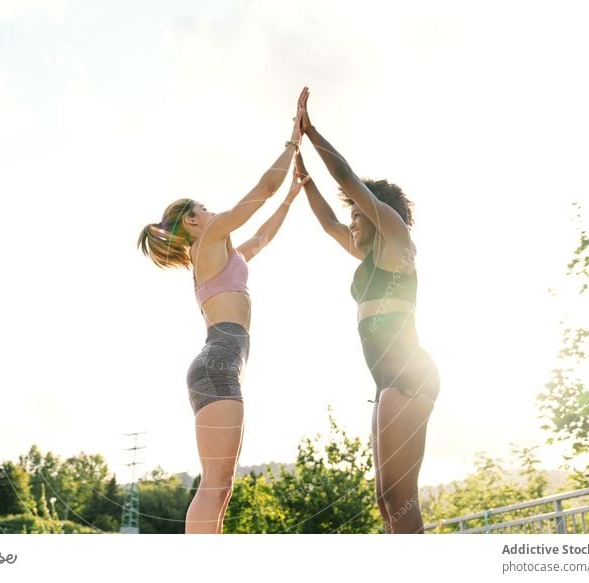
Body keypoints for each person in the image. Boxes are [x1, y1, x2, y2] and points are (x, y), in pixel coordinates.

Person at [137, 103, 307, 534]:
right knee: (215, 486)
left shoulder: (221, 255)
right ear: (193, 220)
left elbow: (262, 237)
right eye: (205, 208)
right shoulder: (209, 239)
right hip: (217, 364)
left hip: (221, 364)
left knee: (221, 486)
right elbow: (262, 188)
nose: (213, 213)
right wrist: (293, 139)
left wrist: (290, 197)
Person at [295, 87, 439, 533]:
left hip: (409, 374)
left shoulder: (396, 243)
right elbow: (327, 222)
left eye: (357, 216)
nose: (351, 222)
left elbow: (347, 178)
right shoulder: (370, 260)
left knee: (400, 495)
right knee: (385, 498)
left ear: (376, 214)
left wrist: (311, 133)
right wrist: (302, 178)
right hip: (386, 380)